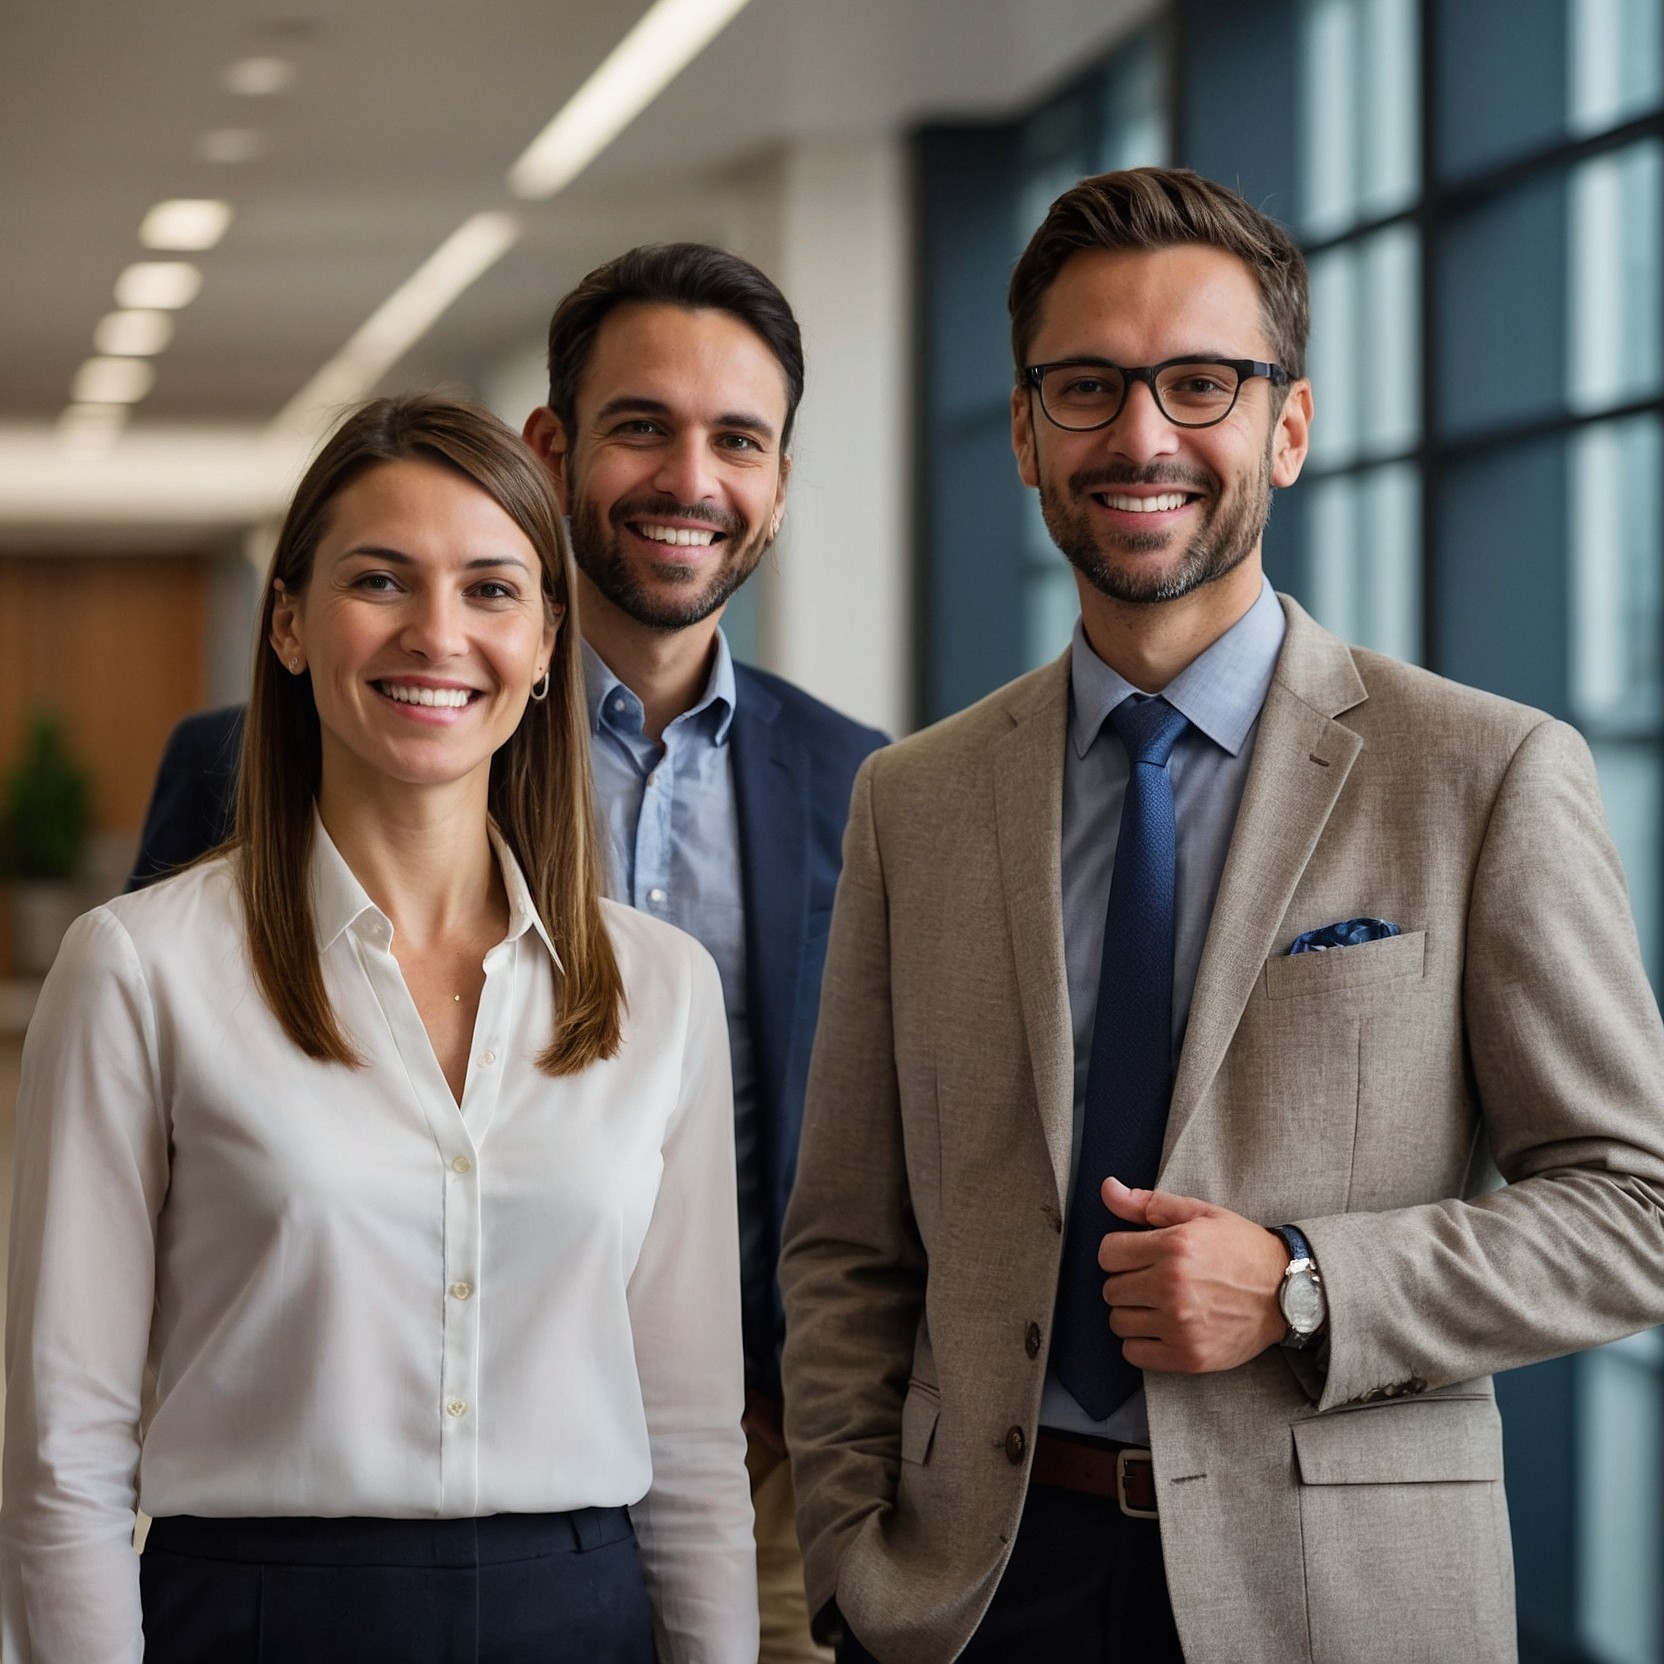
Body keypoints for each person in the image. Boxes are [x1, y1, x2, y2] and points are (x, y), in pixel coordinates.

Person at [777, 166, 1664, 1664]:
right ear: (1020, 431)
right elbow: (849, 1248)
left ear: (1289, 426)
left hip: (1344, 1602)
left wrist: (1310, 1287)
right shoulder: (913, 802)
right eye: (1086, 387)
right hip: (977, 1600)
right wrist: (857, 1571)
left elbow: (1633, 1210)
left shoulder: (1482, 773)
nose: (1140, 436)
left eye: (1201, 384)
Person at [126, 243, 886, 1662]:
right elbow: (175, 1150)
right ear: (552, 448)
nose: (690, 480)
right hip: (335, 1495)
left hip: (755, 1458)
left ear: (779, 484)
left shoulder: (865, 787)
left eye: (740, 440)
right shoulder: (264, 758)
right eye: (641, 426)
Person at [3, 394, 756, 1662]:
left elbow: (690, 1442)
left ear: (545, 641)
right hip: (255, 1616)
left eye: (490, 588)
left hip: (579, 1613)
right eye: (380, 580)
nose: (438, 633)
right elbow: (63, 1449)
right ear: (289, 622)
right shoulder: (140, 969)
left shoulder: (659, 990)